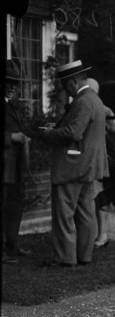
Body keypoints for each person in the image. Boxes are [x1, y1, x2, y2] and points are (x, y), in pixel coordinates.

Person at [29, 60, 107, 267]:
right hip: (88, 166)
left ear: (72, 82)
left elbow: (74, 132)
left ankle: (65, 259)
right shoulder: (94, 99)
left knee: (65, 214)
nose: (65, 89)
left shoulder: (82, 101)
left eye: (64, 85)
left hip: (73, 166)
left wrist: (48, 133)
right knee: (86, 212)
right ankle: (84, 255)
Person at [85, 78, 115, 248]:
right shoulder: (83, 106)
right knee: (92, 198)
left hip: (105, 160)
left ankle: (102, 235)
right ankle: (94, 234)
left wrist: (104, 132)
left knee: (102, 198)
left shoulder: (104, 110)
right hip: (89, 159)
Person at [3, 59, 31, 264]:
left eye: (15, 83)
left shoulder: (12, 106)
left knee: (15, 205)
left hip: (15, 166)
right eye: (9, 82)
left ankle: (12, 245)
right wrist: (11, 137)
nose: (13, 87)